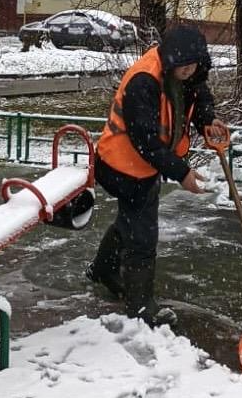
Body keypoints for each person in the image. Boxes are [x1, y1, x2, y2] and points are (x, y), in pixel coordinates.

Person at [86, 24, 229, 326]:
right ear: (169, 60)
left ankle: (102, 270)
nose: (189, 71)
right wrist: (182, 173)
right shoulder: (145, 81)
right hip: (121, 166)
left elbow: (199, 95)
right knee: (143, 236)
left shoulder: (187, 73)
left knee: (131, 220)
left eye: (193, 65)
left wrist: (208, 120)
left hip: (145, 166)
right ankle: (140, 308)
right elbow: (145, 140)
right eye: (184, 66)